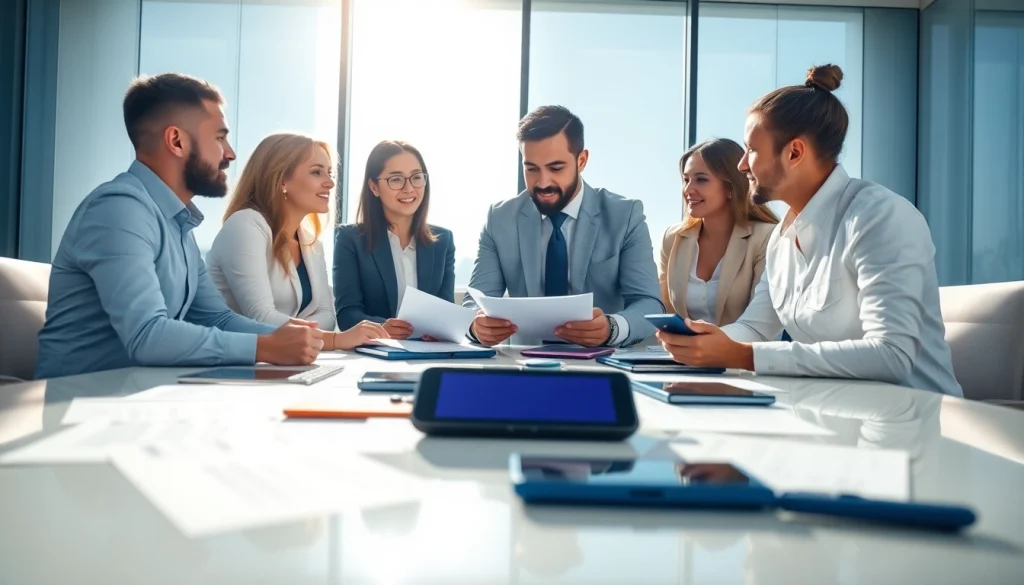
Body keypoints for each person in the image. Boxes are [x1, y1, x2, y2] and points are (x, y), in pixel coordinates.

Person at [656, 64, 962, 397]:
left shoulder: (878, 216)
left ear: (794, 152)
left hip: (917, 423)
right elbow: (756, 328)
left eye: (752, 150)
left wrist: (744, 356)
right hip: (835, 416)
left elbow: (892, 355)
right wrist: (703, 343)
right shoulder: (781, 238)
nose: (742, 164)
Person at [35, 73, 323, 379]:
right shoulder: (119, 208)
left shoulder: (179, 225)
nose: (230, 153)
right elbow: (147, 335)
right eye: (219, 137)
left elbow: (217, 318)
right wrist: (264, 347)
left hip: (136, 396)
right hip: (79, 405)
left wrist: (295, 338)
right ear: (176, 141)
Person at [463, 105, 663, 347]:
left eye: (556, 168)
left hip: (602, 363)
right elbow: (476, 299)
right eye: (531, 169)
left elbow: (649, 304)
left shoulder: (625, 215)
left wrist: (612, 328)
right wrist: (477, 325)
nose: (543, 182)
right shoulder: (500, 218)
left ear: (582, 160)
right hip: (523, 363)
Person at [207, 133, 387, 350]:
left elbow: (327, 316)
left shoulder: (310, 241)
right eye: (316, 172)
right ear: (282, 179)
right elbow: (260, 317)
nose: (330, 183)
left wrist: (303, 334)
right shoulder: (245, 225)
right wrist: (334, 340)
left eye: (329, 173)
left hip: (279, 360)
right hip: (228, 359)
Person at [333, 140, 455, 339]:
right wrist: (383, 327)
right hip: (374, 352)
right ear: (374, 187)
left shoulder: (443, 241)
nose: (409, 188)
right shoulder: (350, 239)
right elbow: (347, 314)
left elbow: (446, 311)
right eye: (396, 179)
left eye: (416, 177)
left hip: (428, 352)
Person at [659, 138, 778, 326]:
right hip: (683, 354)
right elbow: (666, 313)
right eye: (686, 179)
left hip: (743, 352)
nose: (688, 189)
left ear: (730, 187)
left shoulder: (766, 238)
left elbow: (763, 322)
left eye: (701, 180)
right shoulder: (673, 239)